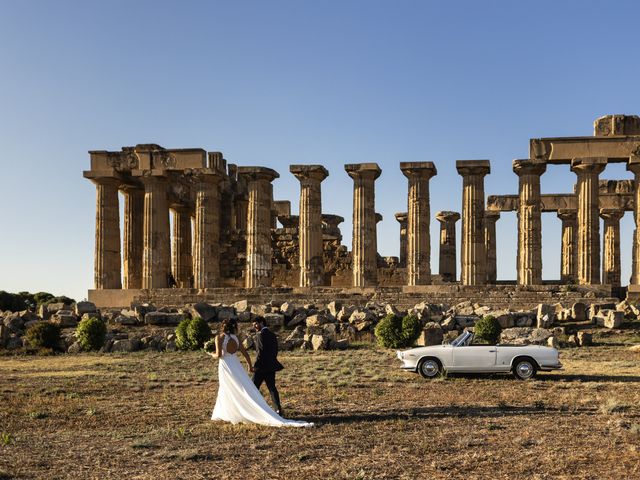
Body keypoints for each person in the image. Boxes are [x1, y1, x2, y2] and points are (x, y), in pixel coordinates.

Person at [209, 318, 312, 427]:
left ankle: (237, 411)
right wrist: (249, 365)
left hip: (229, 365)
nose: (255, 326)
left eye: (256, 324)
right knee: (257, 387)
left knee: (232, 387)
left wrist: (211, 354)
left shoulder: (219, 338)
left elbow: (219, 355)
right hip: (238, 365)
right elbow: (247, 354)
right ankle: (273, 409)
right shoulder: (237, 338)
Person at [252, 316, 284, 415]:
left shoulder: (260, 335)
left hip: (261, 367)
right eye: (253, 325)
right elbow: (275, 350)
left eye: (256, 324)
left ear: (262, 323)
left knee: (252, 387)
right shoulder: (272, 334)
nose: (254, 326)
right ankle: (278, 409)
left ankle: (252, 408)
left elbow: (260, 352)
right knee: (271, 388)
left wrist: (256, 366)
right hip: (271, 365)